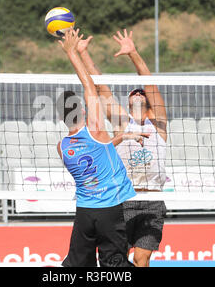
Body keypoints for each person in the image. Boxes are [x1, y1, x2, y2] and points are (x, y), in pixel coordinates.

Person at [76, 29, 168, 267]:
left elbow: (148, 81)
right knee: (116, 259)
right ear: (128, 103)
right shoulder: (121, 122)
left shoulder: (158, 123)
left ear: (147, 102)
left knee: (142, 258)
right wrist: (83, 53)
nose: (138, 93)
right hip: (123, 198)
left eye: (141, 93)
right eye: (133, 93)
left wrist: (133, 53)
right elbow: (101, 87)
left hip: (151, 201)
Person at [56, 28, 141, 267]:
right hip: (111, 209)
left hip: (84, 212)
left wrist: (122, 138)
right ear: (82, 110)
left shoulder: (62, 147)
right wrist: (72, 53)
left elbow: (98, 151)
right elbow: (90, 87)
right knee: (115, 264)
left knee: (76, 266)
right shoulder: (95, 130)